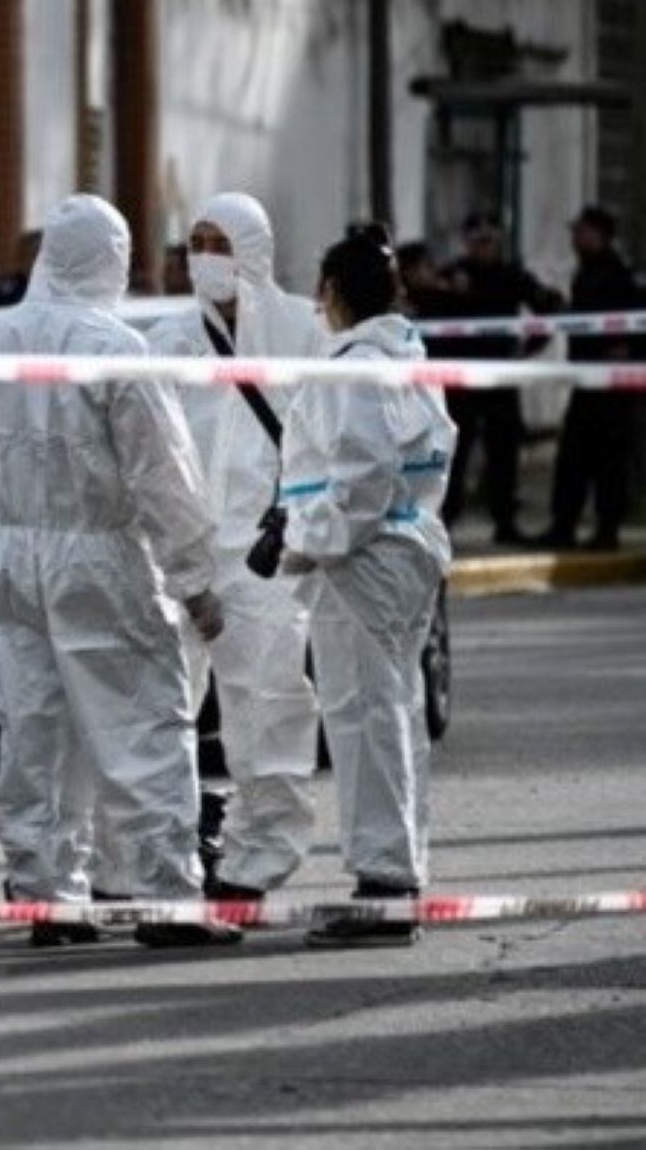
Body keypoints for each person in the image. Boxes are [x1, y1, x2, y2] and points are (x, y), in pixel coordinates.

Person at [0, 194, 238, 950]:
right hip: (99, 556)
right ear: (111, 259)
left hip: (10, 560)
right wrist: (195, 579)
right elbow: (160, 475)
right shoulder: (116, 348)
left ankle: (49, 897)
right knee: (142, 727)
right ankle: (165, 899)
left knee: (36, 733)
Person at [146, 192, 328, 903]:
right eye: (195, 241)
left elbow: (323, 431)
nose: (205, 258)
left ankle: (258, 857)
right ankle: (163, 848)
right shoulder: (166, 342)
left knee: (266, 702)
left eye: (219, 241)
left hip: (264, 551)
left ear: (252, 248)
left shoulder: (301, 330)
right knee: (162, 706)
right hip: (181, 551)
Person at [279, 227, 456, 947]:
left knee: (363, 719)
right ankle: (400, 872)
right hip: (407, 549)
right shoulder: (406, 352)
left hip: (363, 559)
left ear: (332, 293)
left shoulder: (354, 367)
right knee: (395, 713)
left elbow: (359, 483)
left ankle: (381, 885)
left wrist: (301, 540)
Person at [425, 214, 541, 544]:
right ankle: (445, 520)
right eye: (476, 240)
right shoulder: (452, 276)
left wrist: (527, 349)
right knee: (454, 455)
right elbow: (427, 314)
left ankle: (505, 520)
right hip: (460, 382)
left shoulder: (511, 275)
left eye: (488, 240)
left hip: (501, 378)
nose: (483, 247)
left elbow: (548, 306)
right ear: (466, 242)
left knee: (503, 453)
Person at [543, 206, 642, 551]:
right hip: (587, 380)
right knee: (574, 456)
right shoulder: (587, 273)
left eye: (581, 231)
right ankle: (564, 525)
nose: (575, 238)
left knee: (608, 460)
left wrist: (625, 350)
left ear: (598, 234)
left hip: (612, 387)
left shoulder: (617, 275)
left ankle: (606, 528)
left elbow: (632, 325)